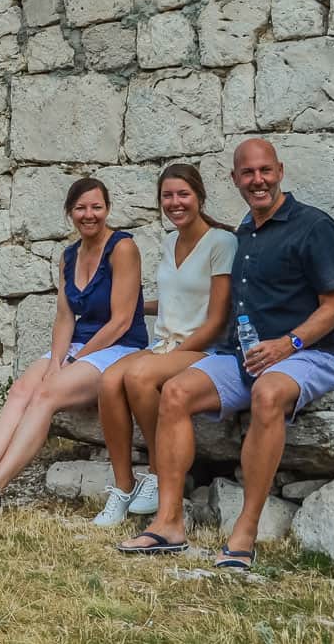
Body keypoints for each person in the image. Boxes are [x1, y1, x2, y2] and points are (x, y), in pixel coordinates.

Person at [118, 139, 334, 568]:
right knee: (174, 392)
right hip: (242, 357)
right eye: (247, 173)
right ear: (234, 179)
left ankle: (245, 529)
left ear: (279, 170)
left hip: (307, 354)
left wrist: (288, 344)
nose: (257, 180)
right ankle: (168, 523)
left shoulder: (314, 227)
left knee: (267, 395)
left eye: (264, 171)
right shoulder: (241, 233)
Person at [0, 177, 148, 509]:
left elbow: (121, 320)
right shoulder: (69, 256)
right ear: (69, 213)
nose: (89, 214)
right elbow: (65, 316)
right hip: (80, 344)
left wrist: (74, 364)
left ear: (107, 209)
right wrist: (55, 362)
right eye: (80, 208)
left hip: (118, 347)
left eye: (96, 207)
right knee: (22, 388)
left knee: (47, 394)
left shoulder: (123, 248)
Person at [91, 164, 237, 526]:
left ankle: (159, 472)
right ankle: (124, 488)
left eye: (183, 194)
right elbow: (174, 300)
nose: (175, 203)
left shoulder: (222, 243)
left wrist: (174, 354)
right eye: (167, 196)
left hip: (205, 349)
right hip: (166, 344)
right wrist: (133, 307)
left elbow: (217, 319)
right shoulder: (170, 241)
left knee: (139, 376)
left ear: (199, 197)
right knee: (109, 380)